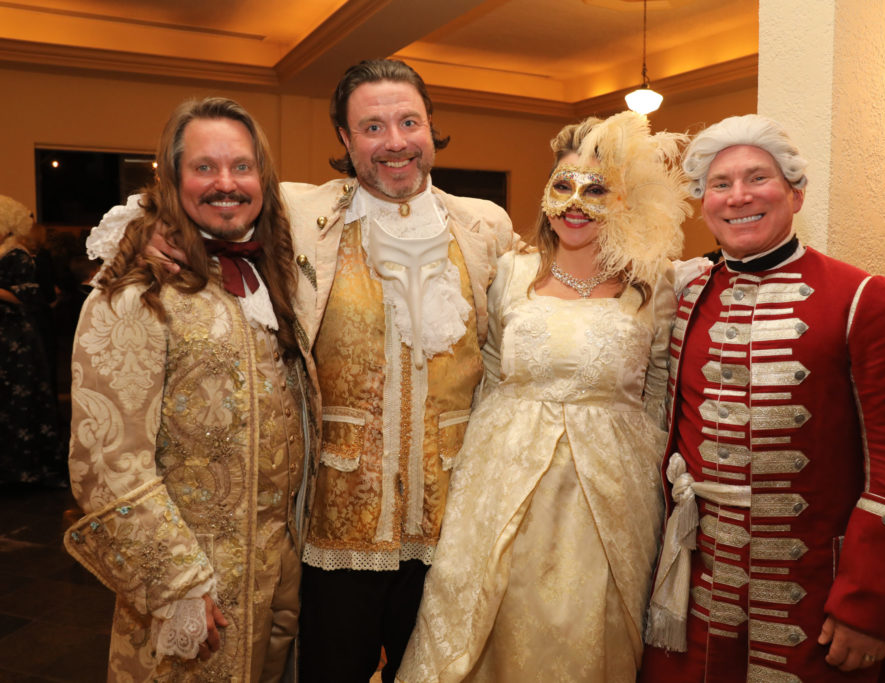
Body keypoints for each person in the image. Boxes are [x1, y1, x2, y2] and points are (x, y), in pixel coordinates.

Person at [86, 58, 516, 682]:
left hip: (453, 526)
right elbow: (209, 201)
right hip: (330, 527)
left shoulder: (486, 226)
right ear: (345, 140)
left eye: (408, 122)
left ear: (431, 127)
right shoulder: (299, 212)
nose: (394, 142)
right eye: (371, 127)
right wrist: (154, 229)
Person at [639, 114, 885, 682]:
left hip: (816, 597)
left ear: (796, 194)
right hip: (696, 595)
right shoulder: (685, 294)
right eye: (720, 185)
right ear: (704, 203)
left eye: (758, 178)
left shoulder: (865, 298)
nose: (739, 197)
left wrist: (869, 608)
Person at [397, 111, 695, 682]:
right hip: (504, 474)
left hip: (609, 486)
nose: (576, 203)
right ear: (545, 192)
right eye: (563, 185)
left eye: (596, 188)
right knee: (494, 608)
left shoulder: (653, 284)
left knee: (592, 621)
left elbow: (660, 387)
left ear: (624, 200)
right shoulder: (510, 271)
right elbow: (487, 370)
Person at [63, 97, 314, 682]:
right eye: (204, 167)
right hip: (199, 588)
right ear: (173, 179)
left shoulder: (279, 277)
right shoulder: (134, 292)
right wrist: (176, 584)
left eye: (242, 167)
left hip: (282, 582)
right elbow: (106, 460)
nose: (226, 183)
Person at [0, 195, 64, 487]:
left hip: (15, 337)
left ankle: (24, 469)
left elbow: (29, 297)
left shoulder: (18, 256)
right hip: (5, 336)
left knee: (19, 400)